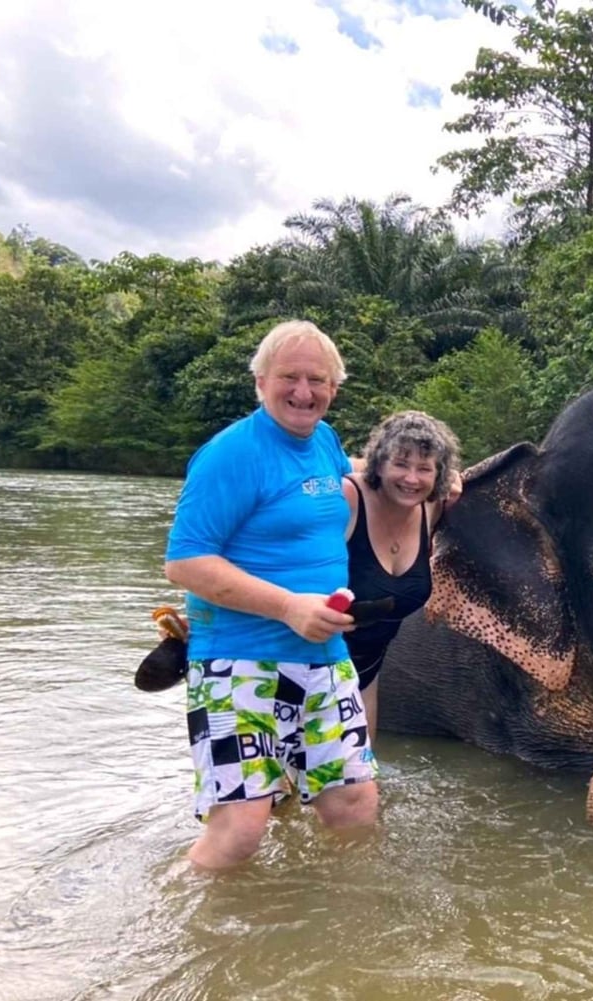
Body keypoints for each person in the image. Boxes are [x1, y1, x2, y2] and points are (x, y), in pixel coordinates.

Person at [165, 319, 376, 870]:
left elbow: (340, 477)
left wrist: (430, 474)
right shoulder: (230, 454)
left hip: (326, 661)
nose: (303, 392)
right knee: (240, 828)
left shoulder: (323, 440)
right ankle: (198, 937)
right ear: (260, 381)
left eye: (318, 380)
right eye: (289, 377)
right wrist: (288, 606)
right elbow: (184, 562)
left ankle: (340, 934)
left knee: (355, 806)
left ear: (334, 388)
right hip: (238, 662)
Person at [341, 411, 460, 745]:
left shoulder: (432, 508)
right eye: (400, 464)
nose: (411, 478)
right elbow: (303, 473)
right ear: (378, 463)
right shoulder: (347, 498)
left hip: (365, 677)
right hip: (305, 666)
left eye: (424, 468)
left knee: (361, 792)